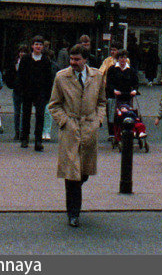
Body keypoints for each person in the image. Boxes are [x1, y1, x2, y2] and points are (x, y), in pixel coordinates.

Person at [48, 44, 105, 228]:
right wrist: (65, 122)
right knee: (71, 174)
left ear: (85, 60)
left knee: (84, 173)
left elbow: (102, 102)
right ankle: (73, 213)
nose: (73, 63)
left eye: (77, 60)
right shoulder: (61, 77)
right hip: (70, 129)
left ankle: (74, 202)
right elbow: (54, 105)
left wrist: (98, 121)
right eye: (71, 59)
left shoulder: (97, 76)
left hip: (89, 128)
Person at [16, 36, 54, 150]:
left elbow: (49, 78)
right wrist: (21, 90)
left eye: (40, 45)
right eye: (36, 44)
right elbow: (20, 76)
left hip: (40, 92)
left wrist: (48, 94)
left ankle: (38, 140)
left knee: (40, 115)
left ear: (43, 47)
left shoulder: (46, 60)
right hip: (27, 91)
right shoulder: (26, 59)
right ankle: (25, 138)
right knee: (26, 115)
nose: (38, 46)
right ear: (32, 46)